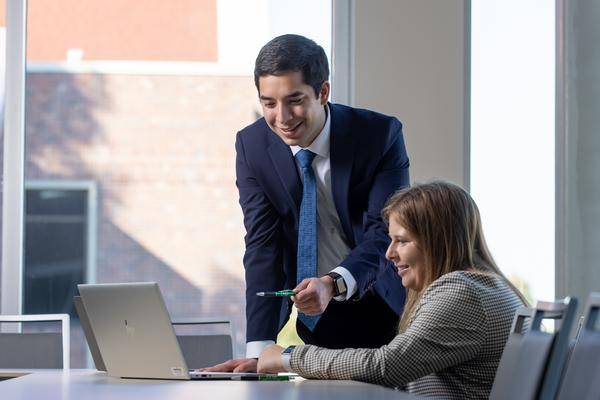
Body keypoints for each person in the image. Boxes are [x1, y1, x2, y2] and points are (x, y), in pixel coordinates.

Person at [206, 34, 410, 372]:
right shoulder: (252, 146)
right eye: (268, 103)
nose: (282, 117)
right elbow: (263, 245)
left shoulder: (379, 135)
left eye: (294, 100)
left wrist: (333, 283)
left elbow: (384, 232)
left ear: (323, 92)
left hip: (385, 304)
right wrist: (259, 351)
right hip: (318, 317)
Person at [257, 181, 528, 399]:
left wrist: (287, 356)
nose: (389, 254)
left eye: (402, 241)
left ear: (437, 242)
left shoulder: (463, 293)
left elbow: (386, 366)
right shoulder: (487, 287)